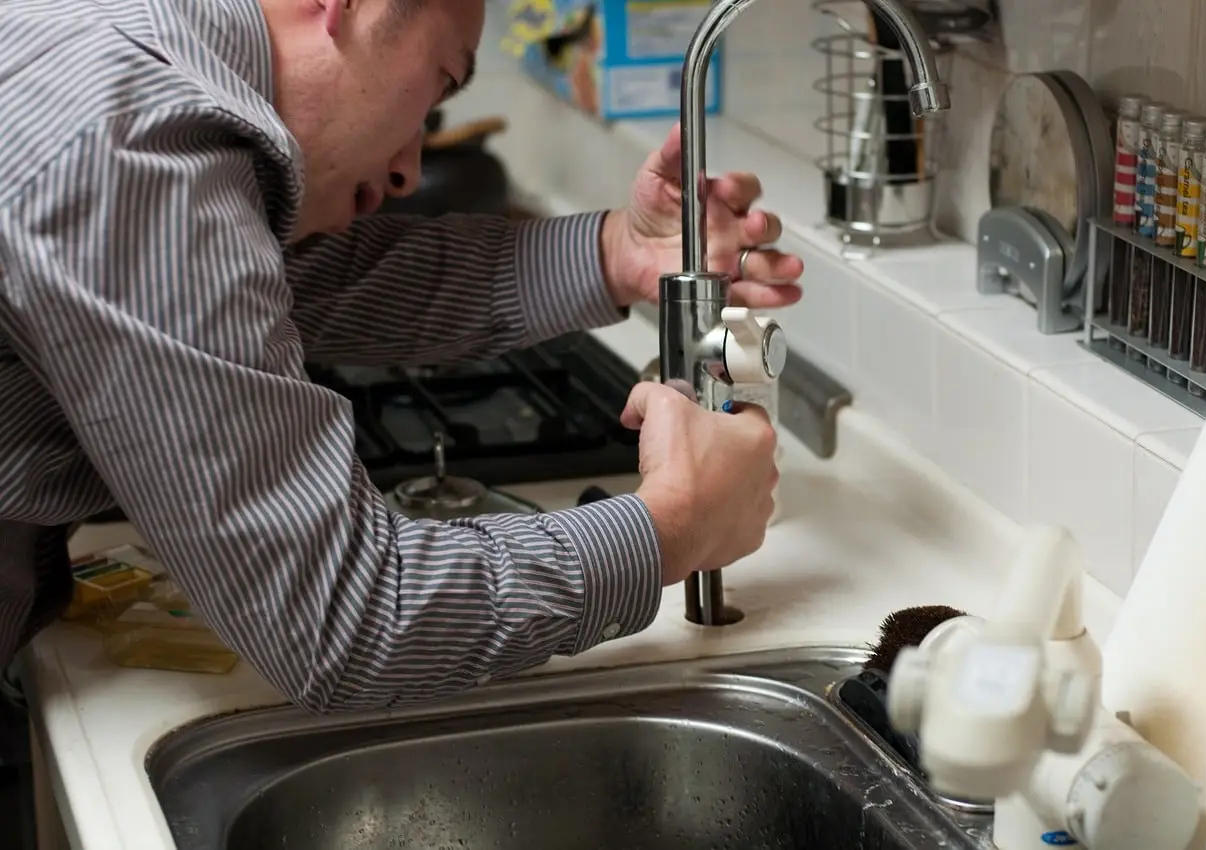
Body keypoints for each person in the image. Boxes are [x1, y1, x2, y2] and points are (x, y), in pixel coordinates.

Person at [0, 0, 805, 714]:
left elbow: (312, 280)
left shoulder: (131, 52)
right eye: (439, 84)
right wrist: (671, 527)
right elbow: (342, 620)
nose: (407, 168)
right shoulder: (135, 146)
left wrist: (617, 252)